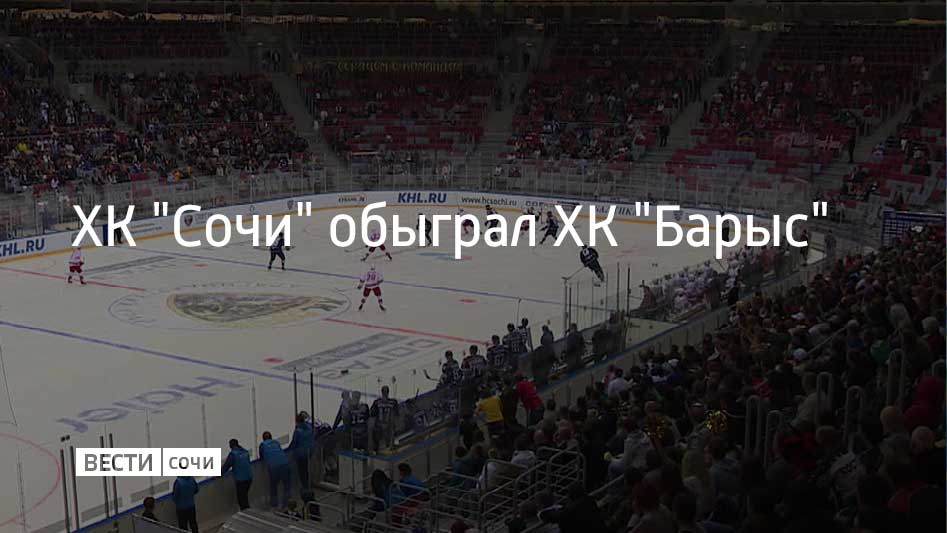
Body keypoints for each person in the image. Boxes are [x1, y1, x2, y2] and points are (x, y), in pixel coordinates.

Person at [259, 431, 292, 509]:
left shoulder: (263, 445)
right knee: (287, 486)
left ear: (263, 439)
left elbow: (261, 457)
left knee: (273, 486)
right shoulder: (276, 442)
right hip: (285, 464)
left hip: (274, 468)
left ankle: (274, 505)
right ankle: (286, 505)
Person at [287, 412, 315, 492]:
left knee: (302, 471)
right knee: (306, 469)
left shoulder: (298, 431)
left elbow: (294, 443)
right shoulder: (309, 427)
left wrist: (289, 449)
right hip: (309, 451)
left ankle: (305, 487)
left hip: (301, 454)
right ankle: (308, 484)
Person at [221, 439, 253, 510]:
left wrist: (219, 474)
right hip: (249, 477)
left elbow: (226, 466)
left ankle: (245, 511)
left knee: (241, 498)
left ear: (231, 446)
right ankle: (247, 509)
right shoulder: (245, 452)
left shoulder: (233, 454)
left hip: (241, 479)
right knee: (244, 496)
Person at [370, 385, 399, 452]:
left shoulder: (391, 402)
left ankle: (388, 447)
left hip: (386, 425)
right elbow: (372, 413)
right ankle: (380, 448)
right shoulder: (378, 402)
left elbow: (396, 414)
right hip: (382, 425)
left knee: (388, 434)